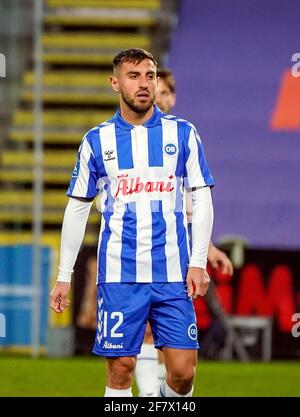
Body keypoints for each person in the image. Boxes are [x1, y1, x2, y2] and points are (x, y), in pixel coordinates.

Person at [50, 48, 214, 397]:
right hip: (121, 274)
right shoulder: (97, 140)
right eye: (134, 76)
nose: (144, 84)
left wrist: (198, 261)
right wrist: (65, 275)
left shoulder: (183, 134)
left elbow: (202, 198)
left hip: (172, 273)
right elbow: (77, 208)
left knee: (183, 374)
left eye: (150, 76)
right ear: (115, 83)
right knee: (122, 368)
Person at [135, 69, 234, 397]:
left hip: (177, 250)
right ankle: (150, 394)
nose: (158, 98)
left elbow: (195, 205)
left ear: (172, 97)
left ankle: (166, 392)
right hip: (139, 246)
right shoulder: (130, 139)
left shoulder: (181, 138)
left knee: (175, 338)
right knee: (147, 329)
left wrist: (207, 249)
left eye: (164, 93)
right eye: (154, 91)